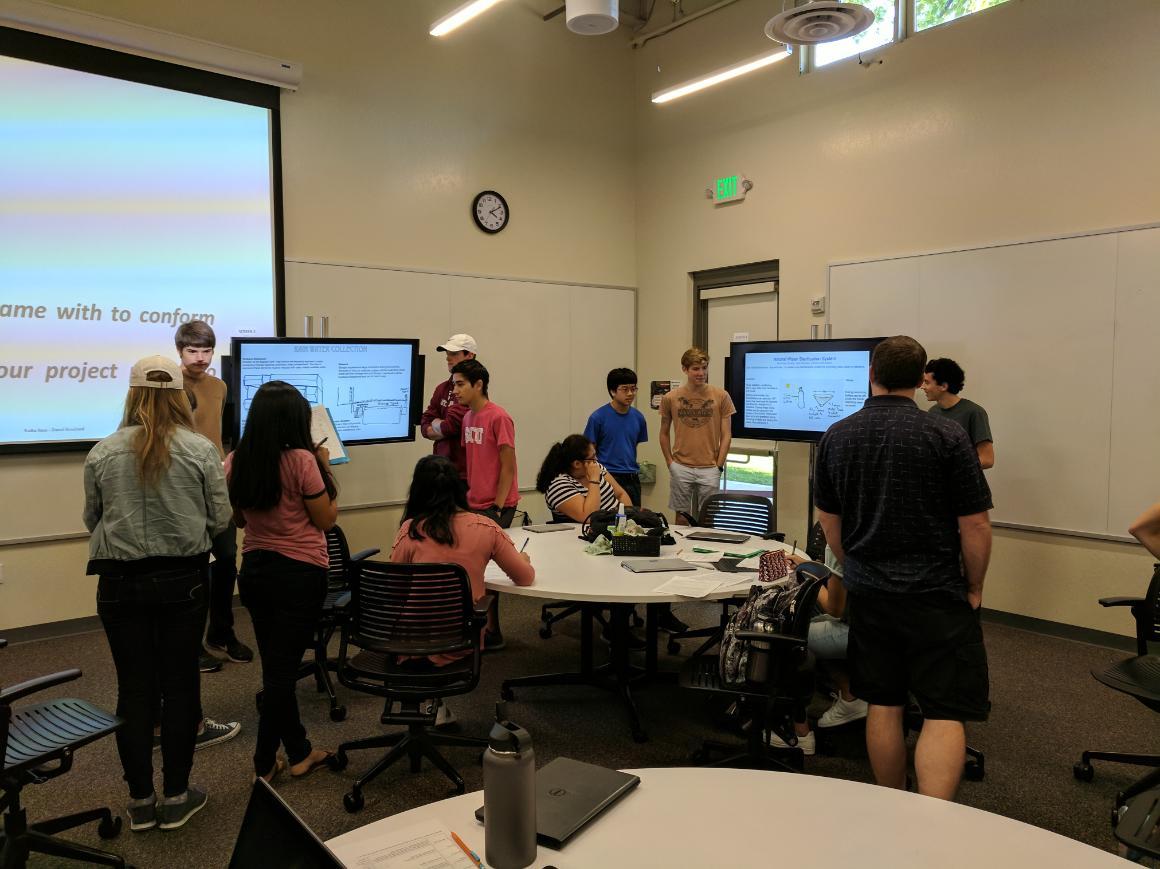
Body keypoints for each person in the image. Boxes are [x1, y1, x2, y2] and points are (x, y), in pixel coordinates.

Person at [814, 335, 993, 801]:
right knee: (942, 710)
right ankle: (933, 821)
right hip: (936, 591)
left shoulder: (837, 434)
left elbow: (828, 521)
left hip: (871, 592)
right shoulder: (947, 435)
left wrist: (853, 564)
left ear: (871, 373)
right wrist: (974, 585)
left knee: (884, 702)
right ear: (918, 380)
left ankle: (892, 805)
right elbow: (974, 524)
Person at [84, 355, 230, 832]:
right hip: (182, 581)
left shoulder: (103, 452)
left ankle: (140, 802)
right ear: (179, 398)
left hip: (118, 585)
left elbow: (93, 519)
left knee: (134, 689)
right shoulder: (200, 450)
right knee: (181, 684)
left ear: (131, 395)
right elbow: (220, 519)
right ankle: (176, 796)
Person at [225, 381, 339, 783]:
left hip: (255, 571)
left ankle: (299, 752)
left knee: (276, 666)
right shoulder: (303, 462)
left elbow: (238, 519)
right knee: (281, 673)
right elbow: (326, 520)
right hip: (300, 574)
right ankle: (262, 760)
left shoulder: (237, 460)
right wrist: (323, 464)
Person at [390, 456, 535, 724]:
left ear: (418, 491)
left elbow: (393, 591)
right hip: (460, 643)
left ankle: (431, 707)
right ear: (460, 488)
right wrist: (523, 559)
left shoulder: (409, 531)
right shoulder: (485, 527)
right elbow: (524, 578)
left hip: (406, 646)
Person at [175, 319, 254, 669]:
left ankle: (221, 632)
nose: (201, 358)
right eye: (193, 351)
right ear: (180, 350)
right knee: (193, 567)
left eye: (206, 351)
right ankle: (190, 644)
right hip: (183, 488)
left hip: (218, 485)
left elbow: (217, 434)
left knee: (225, 562)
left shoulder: (220, 386)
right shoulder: (167, 387)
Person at [768, 548, 867, 756]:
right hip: (903, 627)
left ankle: (797, 731)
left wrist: (808, 577)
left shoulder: (840, 540)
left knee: (789, 634)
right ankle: (850, 694)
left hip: (865, 633)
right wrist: (810, 566)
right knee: (808, 616)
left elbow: (835, 608)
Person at [451, 358, 518, 649]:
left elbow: (508, 466)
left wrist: (499, 506)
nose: (455, 390)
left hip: (498, 503)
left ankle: (492, 632)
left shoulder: (499, 417)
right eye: (455, 384)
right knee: (475, 567)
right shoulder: (467, 418)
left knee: (484, 567)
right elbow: (473, 463)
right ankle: (486, 629)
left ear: (479, 385)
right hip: (473, 501)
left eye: (460, 384)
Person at [659, 347, 735, 525]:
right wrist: (670, 463)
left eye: (704, 368)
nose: (701, 373)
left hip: (710, 467)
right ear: (685, 369)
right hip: (681, 466)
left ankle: (705, 552)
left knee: (708, 517)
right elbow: (663, 433)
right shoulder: (671, 398)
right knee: (681, 516)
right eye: (696, 368)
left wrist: (719, 466)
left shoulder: (721, 396)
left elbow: (727, 435)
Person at [584, 367, 648, 507]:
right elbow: (589, 452)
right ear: (613, 391)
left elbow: (632, 446)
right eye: (625, 389)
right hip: (608, 476)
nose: (630, 393)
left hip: (632, 476)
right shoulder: (598, 418)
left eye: (633, 389)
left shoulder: (639, 417)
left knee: (633, 521)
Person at [419, 333, 477, 480]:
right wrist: (438, 425)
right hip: (441, 470)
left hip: (465, 473)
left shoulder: (475, 389)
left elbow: (452, 426)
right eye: (447, 353)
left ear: (469, 355)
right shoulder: (442, 388)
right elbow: (425, 421)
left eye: (454, 353)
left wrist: (437, 424)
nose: (448, 358)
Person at [536, 434, 631, 522]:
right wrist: (594, 480)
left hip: (618, 525)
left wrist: (630, 519)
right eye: (592, 457)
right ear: (577, 464)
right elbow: (589, 517)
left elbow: (621, 494)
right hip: (588, 534)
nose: (596, 460)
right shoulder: (558, 485)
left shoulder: (596, 466)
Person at [921, 357, 995, 469]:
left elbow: (987, 459)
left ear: (943, 386)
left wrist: (952, 468)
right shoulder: (932, 412)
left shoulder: (974, 412)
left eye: (927, 382)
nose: (923, 387)